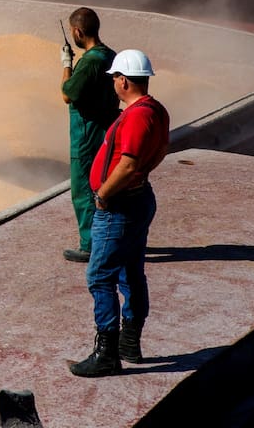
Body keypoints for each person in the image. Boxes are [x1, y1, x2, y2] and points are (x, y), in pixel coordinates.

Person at [68, 49, 170, 377]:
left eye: (114, 78)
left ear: (124, 81)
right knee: (130, 272)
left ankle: (107, 352)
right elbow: (158, 153)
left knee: (100, 276)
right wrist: (140, 175)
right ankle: (129, 343)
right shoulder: (155, 110)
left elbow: (127, 164)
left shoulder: (138, 115)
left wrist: (103, 195)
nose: (113, 82)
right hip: (136, 201)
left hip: (119, 207)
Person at [59, 7, 120, 263]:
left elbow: (66, 93)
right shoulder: (111, 56)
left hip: (86, 137)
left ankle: (90, 245)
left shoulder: (90, 62)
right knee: (105, 188)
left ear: (77, 31)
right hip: (107, 132)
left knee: (84, 190)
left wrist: (66, 63)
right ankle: (110, 238)